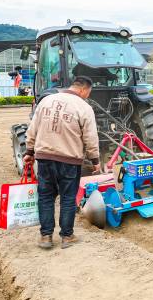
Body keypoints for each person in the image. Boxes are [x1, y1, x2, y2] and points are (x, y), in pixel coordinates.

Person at [23, 76, 99, 249]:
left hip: (45, 158)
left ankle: (46, 237)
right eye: (88, 92)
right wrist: (95, 160)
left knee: (45, 196)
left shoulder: (46, 101)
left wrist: (29, 152)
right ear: (83, 90)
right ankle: (67, 236)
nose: (87, 95)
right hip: (69, 160)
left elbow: (32, 129)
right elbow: (90, 137)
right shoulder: (84, 107)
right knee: (67, 197)